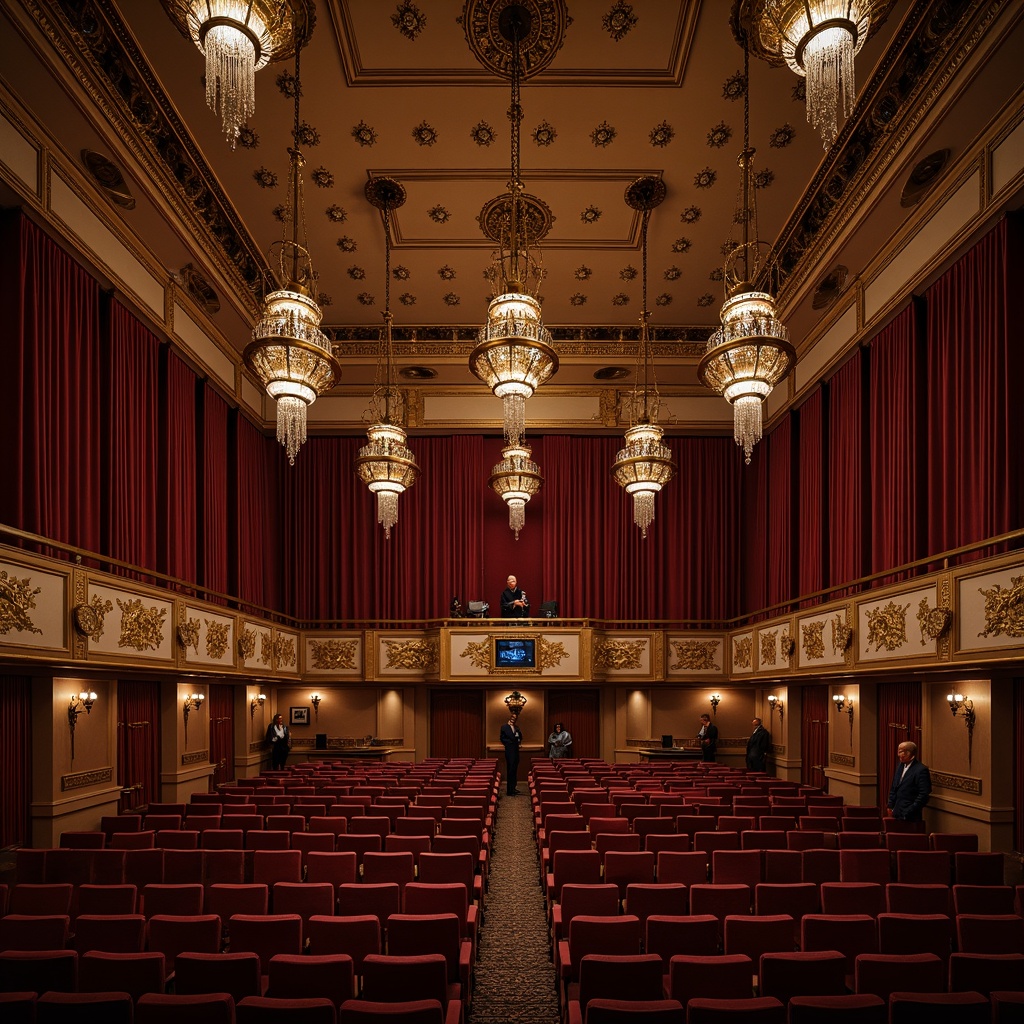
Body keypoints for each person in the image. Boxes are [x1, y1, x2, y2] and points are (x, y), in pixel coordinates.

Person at [887, 740, 932, 822]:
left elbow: (924, 794)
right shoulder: (900, 766)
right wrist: (890, 805)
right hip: (896, 813)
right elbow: (894, 787)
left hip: (911, 817)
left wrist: (909, 811)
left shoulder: (921, 770)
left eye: (900, 752)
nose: (898, 754)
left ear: (908, 753)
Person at [500, 715, 523, 795]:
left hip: (516, 750)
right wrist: (509, 743)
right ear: (510, 718)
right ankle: (509, 791)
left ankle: (513, 788)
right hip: (509, 750)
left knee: (514, 770)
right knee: (510, 770)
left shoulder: (516, 727)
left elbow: (520, 737)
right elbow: (502, 738)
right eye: (513, 717)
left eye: (515, 718)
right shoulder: (504, 727)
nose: (514, 719)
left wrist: (519, 737)